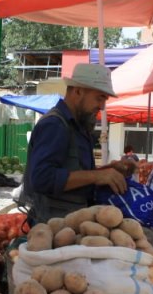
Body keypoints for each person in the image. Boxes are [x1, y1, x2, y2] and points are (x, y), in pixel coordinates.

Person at [21, 64, 132, 224]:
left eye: (104, 100)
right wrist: (97, 176)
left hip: (75, 218)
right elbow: (42, 179)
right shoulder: (55, 125)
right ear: (78, 91)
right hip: (54, 224)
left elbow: (77, 174)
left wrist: (109, 171)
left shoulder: (79, 126)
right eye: (99, 97)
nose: (102, 106)